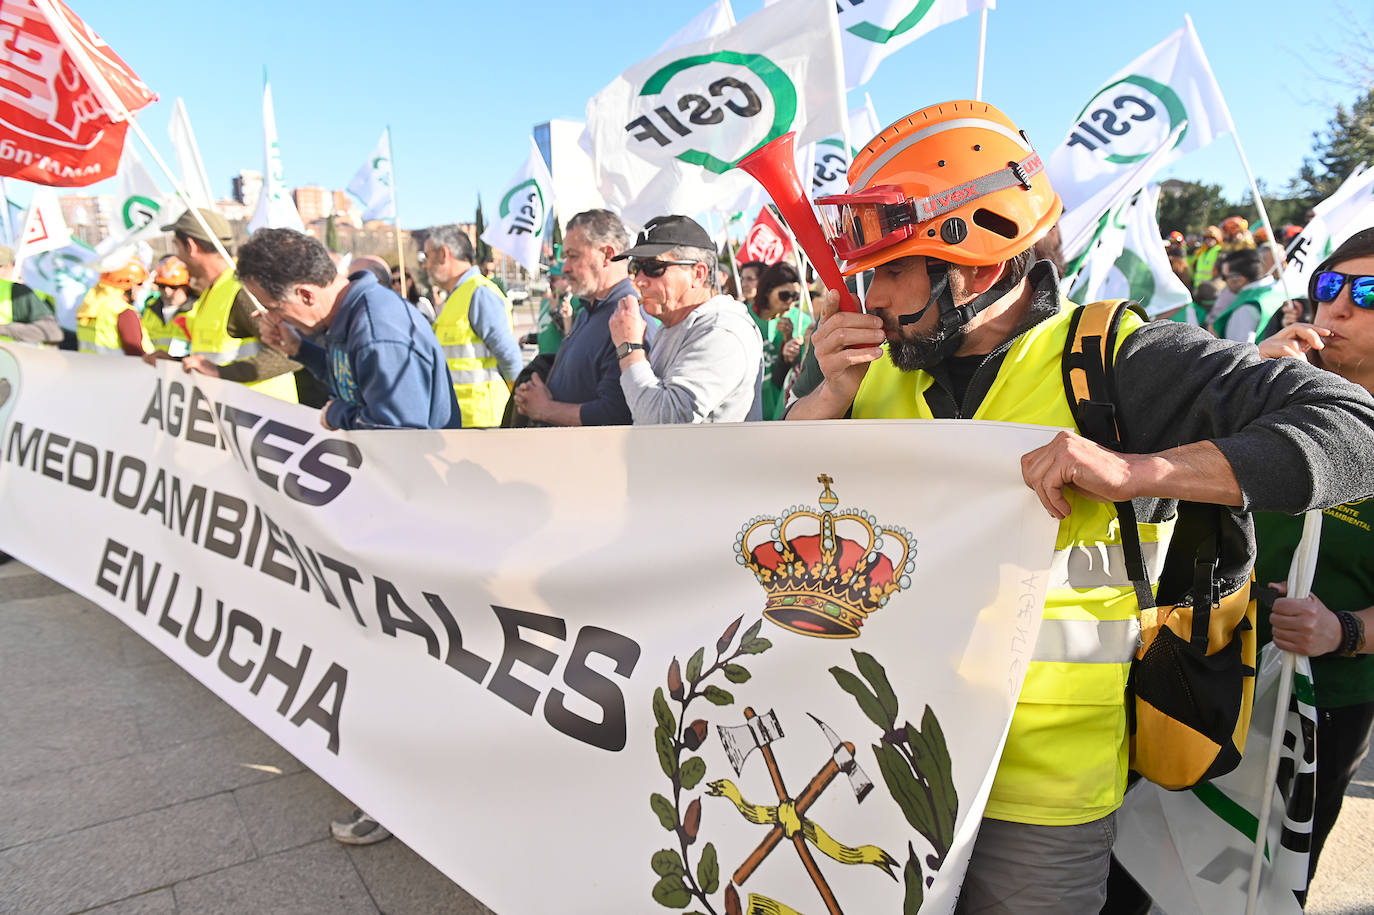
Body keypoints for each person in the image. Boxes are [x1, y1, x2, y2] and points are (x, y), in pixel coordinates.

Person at [785, 100, 1374, 912]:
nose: (869, 295)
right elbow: (766, 516)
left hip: (1044, 794)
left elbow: (1354, 431)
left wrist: (1145, 470)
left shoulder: (1118, 356)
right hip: (886, 762)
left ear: (980, 269)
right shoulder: (868, 367)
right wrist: (820, 404)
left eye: (891, 270)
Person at [1252, 228, 1374, 899]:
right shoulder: (1271, 391)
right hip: (1212, 674)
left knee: (1267, 886)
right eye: (1329, 287)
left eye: (1369, 293)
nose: (1340, 308)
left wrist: (1345, 630)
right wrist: (1245, 376)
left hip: (1325, 704)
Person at [242, 228, 461, 434]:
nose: (273, 318)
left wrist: (337, 414)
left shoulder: (377, 332)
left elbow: (399, 432)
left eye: (274, 308)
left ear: (306, 295)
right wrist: (298, 349)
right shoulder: (348, 317)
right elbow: (353, 382)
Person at [607, 215, 761, 424]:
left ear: (697, 274)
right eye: (636, 267)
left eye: (653, 267)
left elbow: (662, 422)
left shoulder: (721, 330)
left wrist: (629, 347)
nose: (640, 280)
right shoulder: (675, 322)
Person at [512, 209, 656, 426]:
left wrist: (545, 409)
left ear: (607, 254)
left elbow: (616, 413)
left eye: (573, 256)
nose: (566, 267)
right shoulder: (589, 310)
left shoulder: (628, 320)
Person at [163, 209, 300, 402]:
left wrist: (220, 372)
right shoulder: (214, 291)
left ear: (191, 246)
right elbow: (213, 357)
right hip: (234, 418)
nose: (178, 257)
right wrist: (176, 363)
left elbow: (290, 354)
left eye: (177, 247)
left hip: (260, 417)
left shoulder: (243, 289)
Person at [424, 224, 522, 428]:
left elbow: (509, 355)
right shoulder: (458, 295)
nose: (425, 265)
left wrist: (518, 406)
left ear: (444, 254)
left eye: (427, 256)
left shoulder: (479, 293)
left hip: (482, 421)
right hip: (462, 419)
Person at [750, 261, 811, 421]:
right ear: (767, 291)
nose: (790, 301)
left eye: (795, 297)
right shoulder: (743, 316)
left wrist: (789, 346)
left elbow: (801, 373)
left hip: (779, 412)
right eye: (785, 295)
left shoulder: (802, 322)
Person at [76, 258, 152, 356]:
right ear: (126, 283)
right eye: (139, 284)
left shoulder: (91, 306)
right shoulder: (123, 312)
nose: (142, 288)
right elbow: (135, 352)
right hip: (120, 369)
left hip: (91, 368)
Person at [1212, 248, 1285, 342]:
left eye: (1224, 277)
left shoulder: (1245, 308)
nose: (1223, 281)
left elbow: (1239, 351)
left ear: (1239, 280)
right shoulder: (1280, 290)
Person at [0, 245, 63, 345]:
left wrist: (4, 330)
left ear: (14, 266)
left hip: (16, 358)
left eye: (1, 266)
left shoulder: (19, 292)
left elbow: (52, 332)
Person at [140, 256, 195, 358]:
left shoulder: (197, 311)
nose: (167, 291)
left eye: (173, 287)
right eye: (162, 286)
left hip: (184, 370)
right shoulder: (150, 308)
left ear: (186, 286)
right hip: (153, 368)